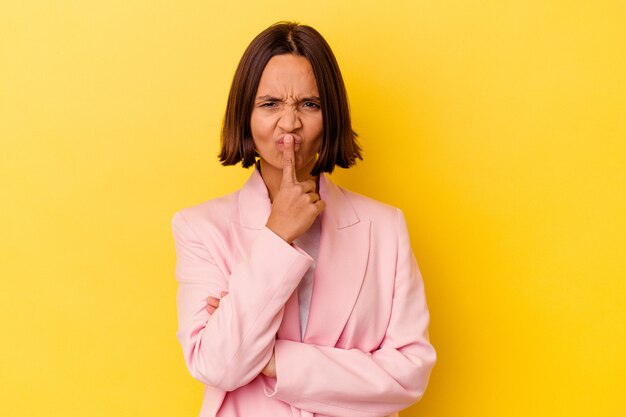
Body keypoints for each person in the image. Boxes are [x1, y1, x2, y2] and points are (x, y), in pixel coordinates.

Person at [171, 21, 436, 417]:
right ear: (245, 114)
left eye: (309, 104)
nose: (290, 123)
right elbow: (216, 365)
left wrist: (272, 360)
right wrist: (277, 235)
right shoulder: (200, 228)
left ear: (331, 115)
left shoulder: (385, 228)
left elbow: (409, 375)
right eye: (270, 104)